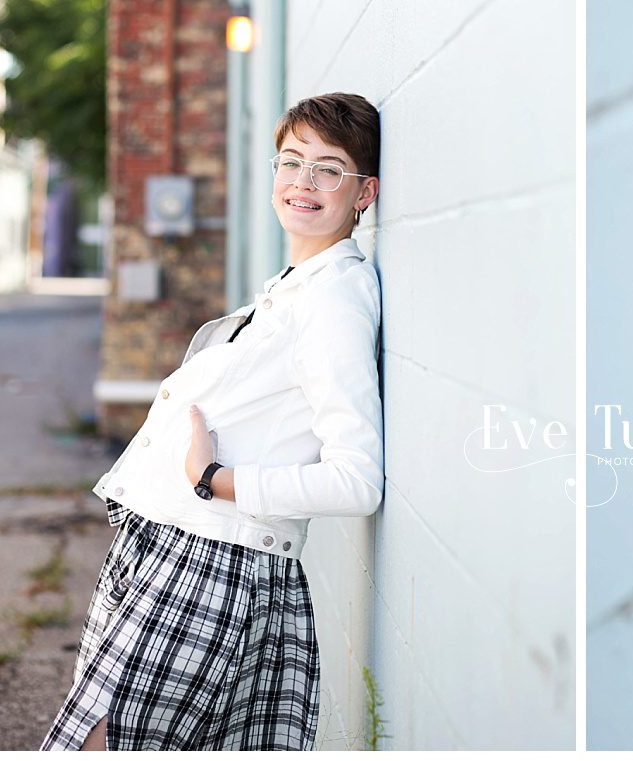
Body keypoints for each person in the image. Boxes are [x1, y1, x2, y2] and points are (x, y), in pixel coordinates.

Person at [40, 92, 386, 750]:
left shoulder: (335, 299)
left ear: (364, 192)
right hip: (175, 547)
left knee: (105, 745)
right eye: (292, 161)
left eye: (329, 169)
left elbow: (357, 480)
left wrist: (216, 478)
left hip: (215, 560)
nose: (304, 182)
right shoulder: (298, 284)